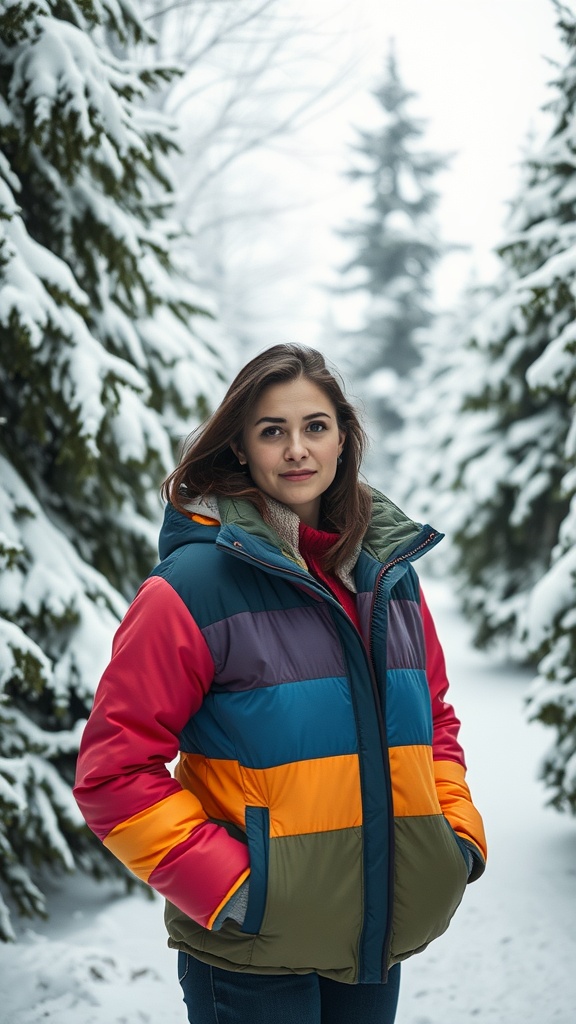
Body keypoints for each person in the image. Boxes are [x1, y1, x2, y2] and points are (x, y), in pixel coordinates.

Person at [74, 344, 487, 1024]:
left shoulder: (388, 578)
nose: (297, 449)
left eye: (315, 427)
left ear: (343, 439)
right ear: (239, 447)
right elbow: (113, 772)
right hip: (251, 961)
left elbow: (434, 721)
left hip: (371, 945)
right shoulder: (191, 590)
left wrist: (455, 840)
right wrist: (241, 889)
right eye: (273, 430)